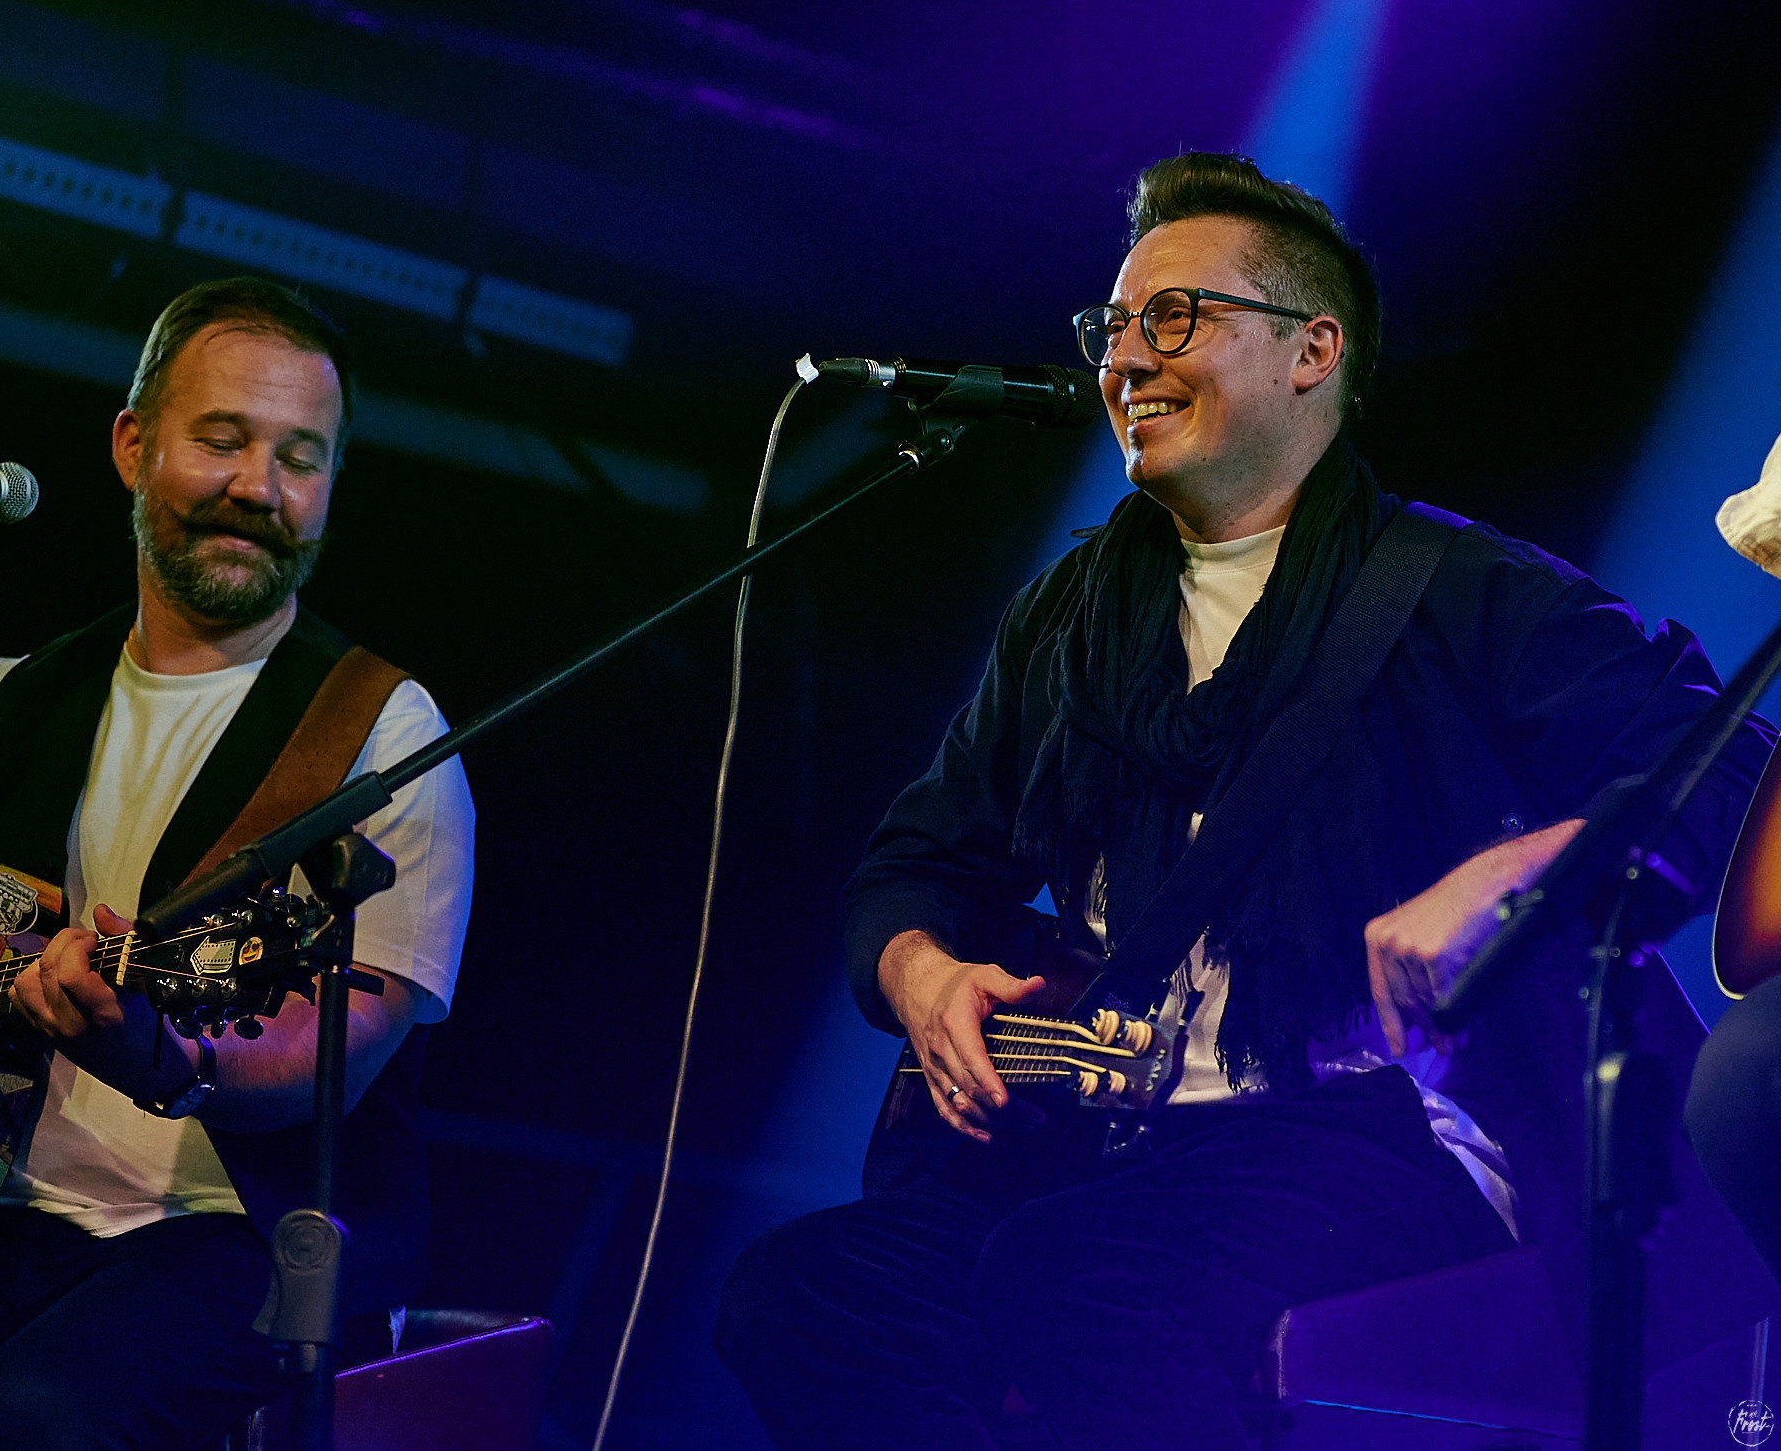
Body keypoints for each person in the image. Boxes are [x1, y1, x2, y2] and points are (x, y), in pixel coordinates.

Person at [714, 152, 1772, 1450]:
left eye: (1177, 319)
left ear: (1311, 351)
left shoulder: (1460, 593)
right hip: (1101, 1137)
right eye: (1113, 327)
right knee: (806, 1291)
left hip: (1374, 1129)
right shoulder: (1071, 613)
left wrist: (1512, 879)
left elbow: (1721, 762)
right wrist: (922, 969)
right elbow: (920, 858)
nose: (1126, 359)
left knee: (1081, 1277)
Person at [0, 277, 476, 1451]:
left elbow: (339, 1048)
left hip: (237, 1240)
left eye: (299, 458)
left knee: (41, 1417)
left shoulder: (380, 734)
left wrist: (163, 1057)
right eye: (222, 440)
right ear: (132, 444)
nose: (258, 486)